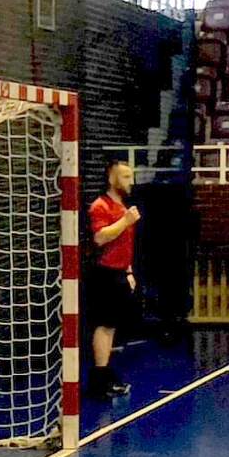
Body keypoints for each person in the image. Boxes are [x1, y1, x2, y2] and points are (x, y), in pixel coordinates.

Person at [87, 160, 141, 400]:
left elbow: (124, 245)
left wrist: (128, 271)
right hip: (104, 273)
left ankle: (105, 374)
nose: (131, 181)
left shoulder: (122, 207)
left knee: (111, 327)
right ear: (112, 179)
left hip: (119, 272)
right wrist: (125, 221)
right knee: (104, 325)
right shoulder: (101, 206)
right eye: (126, 177)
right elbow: (100, 237)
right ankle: (99, 379)